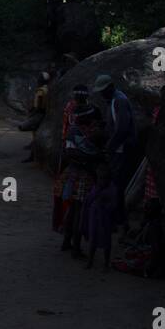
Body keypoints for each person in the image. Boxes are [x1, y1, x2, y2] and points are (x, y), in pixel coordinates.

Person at [59, 104, 103, 257]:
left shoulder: (75, 130)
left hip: (73, 173)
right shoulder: (82, 131)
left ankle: (67, 241)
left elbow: (68, 153)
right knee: (79, 212)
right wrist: (93, 158)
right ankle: (76, 247)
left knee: (73, 209)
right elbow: (71, 152)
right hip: (83, 175)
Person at [52, 85, 90, 231]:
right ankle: (66, 222)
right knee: (69, 189)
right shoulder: (84, 109)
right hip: (75, 152)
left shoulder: (71, 106)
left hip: (69, 149)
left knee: (63, 187)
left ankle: (61, 222)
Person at [83, 162, 121, 270]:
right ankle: (90, 261)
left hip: (105, 219)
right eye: (100, 178)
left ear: (109, 178)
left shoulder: (112, 189)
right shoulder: (96, 187)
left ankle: (105, 264)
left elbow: (114, 205)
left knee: (106, 242)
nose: (102, 181)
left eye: (104, 178)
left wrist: (104, 204)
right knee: (93, 240)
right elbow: (89, 200)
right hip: (94, 218)